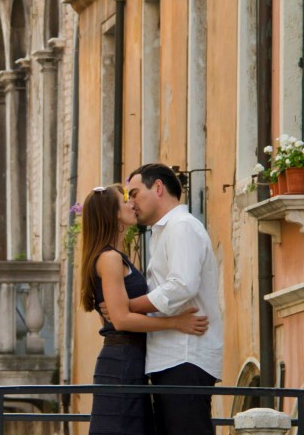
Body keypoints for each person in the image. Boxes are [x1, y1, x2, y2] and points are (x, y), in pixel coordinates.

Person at [80, 184, 209, 435]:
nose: (132, 204)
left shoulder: (116, 256)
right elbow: (122, 320)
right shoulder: (110, 259)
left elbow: (121, 312)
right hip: (122, 361)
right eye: (125, 201)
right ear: (114, 214)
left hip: (130, 359)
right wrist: (175, 322)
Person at [122, 163, 224, 435]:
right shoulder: (166, 231)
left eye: (133, 194)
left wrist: (130, 307)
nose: (131, 203)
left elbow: (182, 285)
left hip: (185, 355)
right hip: (174, 356)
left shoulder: (181, 227)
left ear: (157, 188)